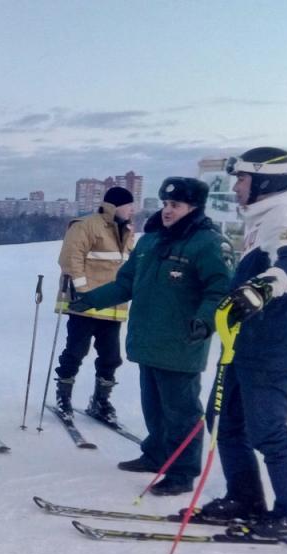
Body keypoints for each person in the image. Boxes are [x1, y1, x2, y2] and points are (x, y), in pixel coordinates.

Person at [72, 178, 233, 496]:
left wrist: (205, 322)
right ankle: (156, 454)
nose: (168, 210)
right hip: (149, 339)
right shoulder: (150, 241)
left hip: (182, 342)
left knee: (181, 411)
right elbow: (125, 283)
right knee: (154, 406)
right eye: (165, 204)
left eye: (175, 205)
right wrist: (90, 299)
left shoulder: (208, 243)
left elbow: (220, 289)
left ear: (194, 208)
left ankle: (182, 471)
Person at [198, 147, 287, 538]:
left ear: (265, 181)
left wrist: (265, 287)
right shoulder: (261, 217)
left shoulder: (284, 216)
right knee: (225, 421)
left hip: (271, 346)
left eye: (242, 179)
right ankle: (246, 499)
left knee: (267, 430)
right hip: (246, 343)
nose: (235, 188)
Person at [53, 186, 136, 423]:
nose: (133, 209)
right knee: (75, 352)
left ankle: (100, 401)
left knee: (111, 357)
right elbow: (70, 259)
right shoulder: (87, 226)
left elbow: (128, 266)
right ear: (117, 205)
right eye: (130, 205)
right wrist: (82, 291)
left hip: (113, 307)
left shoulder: (127, 231)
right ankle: (64, 397)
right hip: (85, 304)